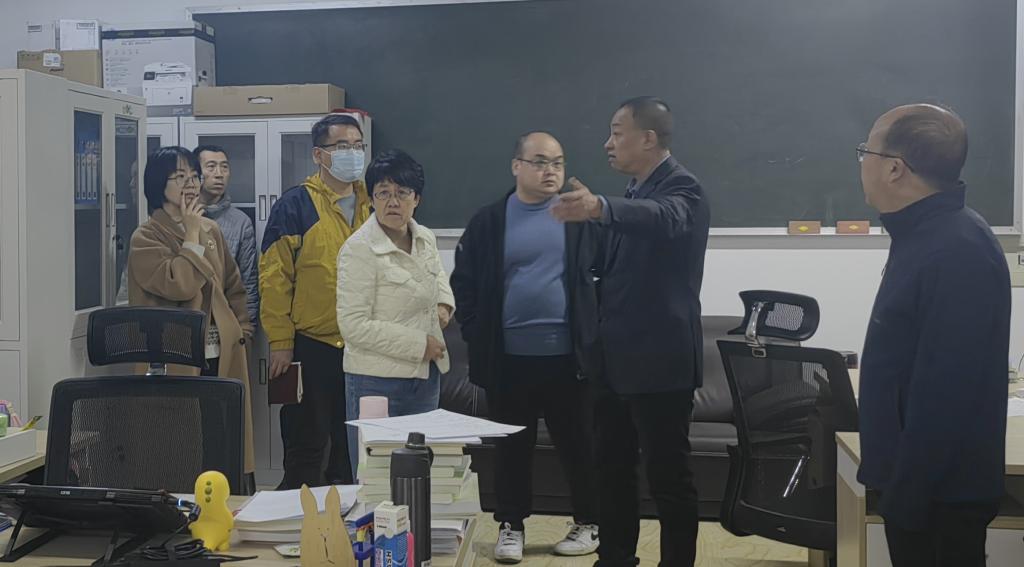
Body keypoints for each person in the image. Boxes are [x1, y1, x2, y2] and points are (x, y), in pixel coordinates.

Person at [552, 97, 710, 567]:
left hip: (660, 364)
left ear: (648, 138)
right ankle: (615, 558)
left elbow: (666, 218)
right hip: (614, 363)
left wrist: (600, 207)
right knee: (611, 470)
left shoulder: (683, 188)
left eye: (617, 132)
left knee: (668, 477)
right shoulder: (634, 192)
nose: (608, 143)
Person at [856, 104, 1010, 567]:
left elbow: (948, 392)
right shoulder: (922, 234)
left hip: (936, 498)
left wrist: (906, 496)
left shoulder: (958, 250)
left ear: (894, 168)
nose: (861, 163)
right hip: (916, 486)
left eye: (865, 151)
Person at [451, 132, 600, 563]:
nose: (550, 171)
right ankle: (511, 526)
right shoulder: (489, 221)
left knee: (579, 446)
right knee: (511, 450)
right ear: (517, 166)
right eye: (539, 161)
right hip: (509, 361)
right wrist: (477, 333)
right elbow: (465, 283)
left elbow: (606, 277)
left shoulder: (579, 218)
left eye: (558, 162)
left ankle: (589, 522)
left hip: (569, 360)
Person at [126, 146, 256, 477]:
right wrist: (192, 233)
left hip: (220, 352)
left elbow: (234, 285)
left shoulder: (211, 230)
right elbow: (180, 284)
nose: (190, 184)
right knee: (180, 449)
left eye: (194, 176)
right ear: (158, 185)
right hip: (175, 356)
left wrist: (241, 329)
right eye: (179, 176)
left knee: (221, 439)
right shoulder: (146, 237)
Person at [260, 114, 371, 489]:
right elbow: (274, 277)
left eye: (358, 146)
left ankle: (347, 521)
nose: (352, 153)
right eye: (342, 146)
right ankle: (295, 516)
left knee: (352, 449)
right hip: (311, 345)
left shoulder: (373, 204)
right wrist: (280, 341)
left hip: (362, 346)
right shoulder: (295, 205)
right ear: (319, 155)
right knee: (306, 446)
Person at [337, 149, 455, 476]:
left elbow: (438, 279)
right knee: (375, 477)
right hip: (376, 382)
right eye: (383, 193)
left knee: (419, 474)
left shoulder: (424, 237)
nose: (393, 202)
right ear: (371, 199)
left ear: (416, 199)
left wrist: (445, 305)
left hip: (425, 378)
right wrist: (419, 344)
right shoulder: (358, 249)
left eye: (402, 193)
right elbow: (353, 325)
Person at [194, 144, 259, 328]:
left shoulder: (241, 222)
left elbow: (248, 282)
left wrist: (247, 329)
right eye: (211, 166)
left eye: (224, 167)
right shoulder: (183, 217)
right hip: (187, 319)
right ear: (195, 173)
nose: (219, 174)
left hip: (225, 323)